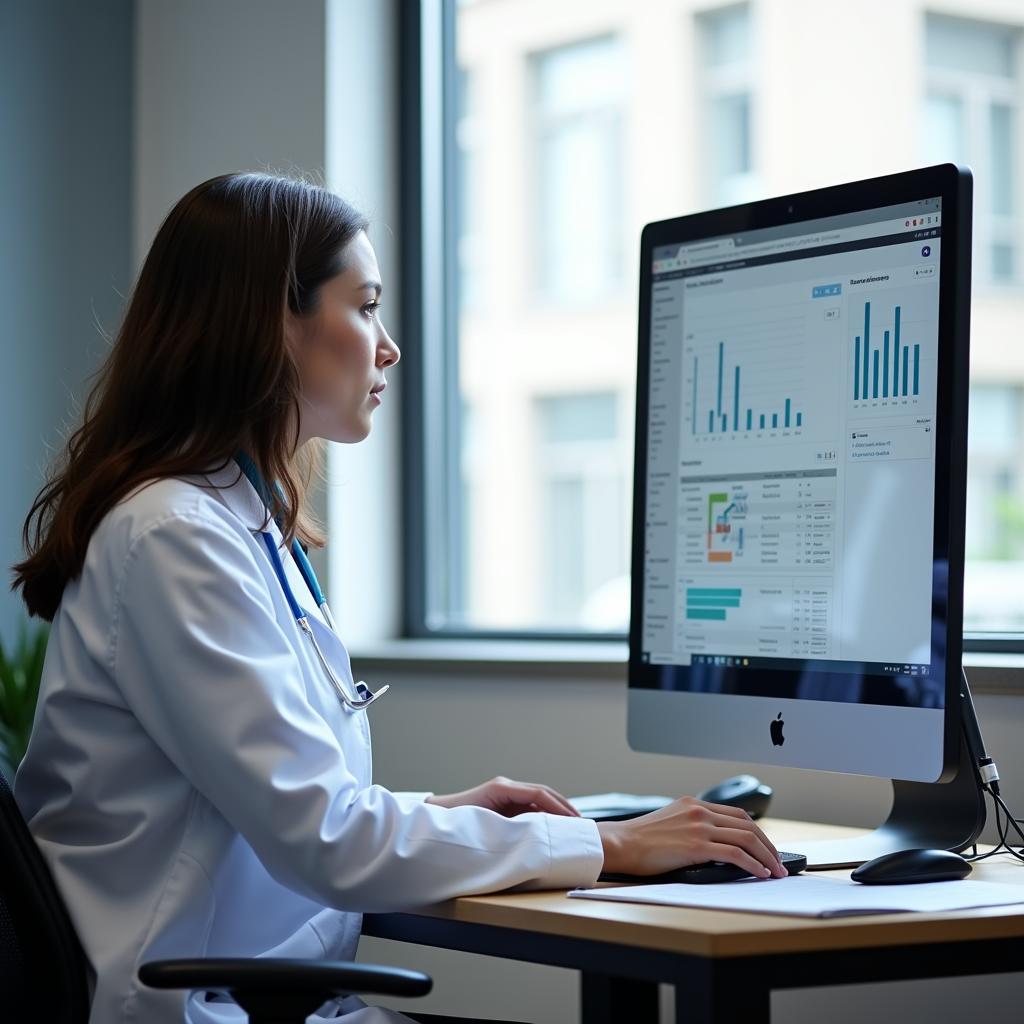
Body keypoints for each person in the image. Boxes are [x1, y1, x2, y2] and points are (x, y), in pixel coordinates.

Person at [10, 173, 788, 1024]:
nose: (388, 347)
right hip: (193, 1006)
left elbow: (289, 807)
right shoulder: (174, 536)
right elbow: (328, 842)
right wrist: (607, 843)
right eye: (365, 306)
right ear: (276, 324)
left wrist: (439, 813)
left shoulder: (232, 521)